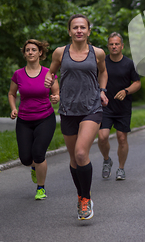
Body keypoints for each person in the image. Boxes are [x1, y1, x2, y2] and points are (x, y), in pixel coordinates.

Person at [44, 14, 108, 220]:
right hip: (68, 110)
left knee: (81, 153)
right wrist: (51, 87)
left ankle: (86, 198)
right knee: (73, 159)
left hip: (91, 108)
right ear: (69, 31)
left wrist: (102, 90)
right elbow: (51, 73)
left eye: (83, 27)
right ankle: (81, 195)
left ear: (89, 31)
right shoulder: (60, 53)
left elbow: (103, 72)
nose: (79, 30)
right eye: (75, 27)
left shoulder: (97, 53)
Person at [8, 39, 59, 200]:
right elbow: (11, 93)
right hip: (24, 119)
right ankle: (34, 168)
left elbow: (56, 92)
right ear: (24, 53)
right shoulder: (18, 74)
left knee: (38, 153)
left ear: (40, 53)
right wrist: (13, 108)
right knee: (25, 158)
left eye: (33, 50)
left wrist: (56, 97)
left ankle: (41, 188)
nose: (30, 52)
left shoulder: (48, 73)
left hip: (45, 118)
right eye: (27, 50)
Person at [98, 32, 141, 181]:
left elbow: (137, 83)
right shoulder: (102, 62)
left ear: (122, 46)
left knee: (122, 138)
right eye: (111, 44)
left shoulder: (129, 64)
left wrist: (126, 91)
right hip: (105, 106)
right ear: (108, 46)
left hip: (123, 107)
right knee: (102, 137)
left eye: (117, 44)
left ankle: (121, 168)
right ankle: (106, 160)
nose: (114, 46)